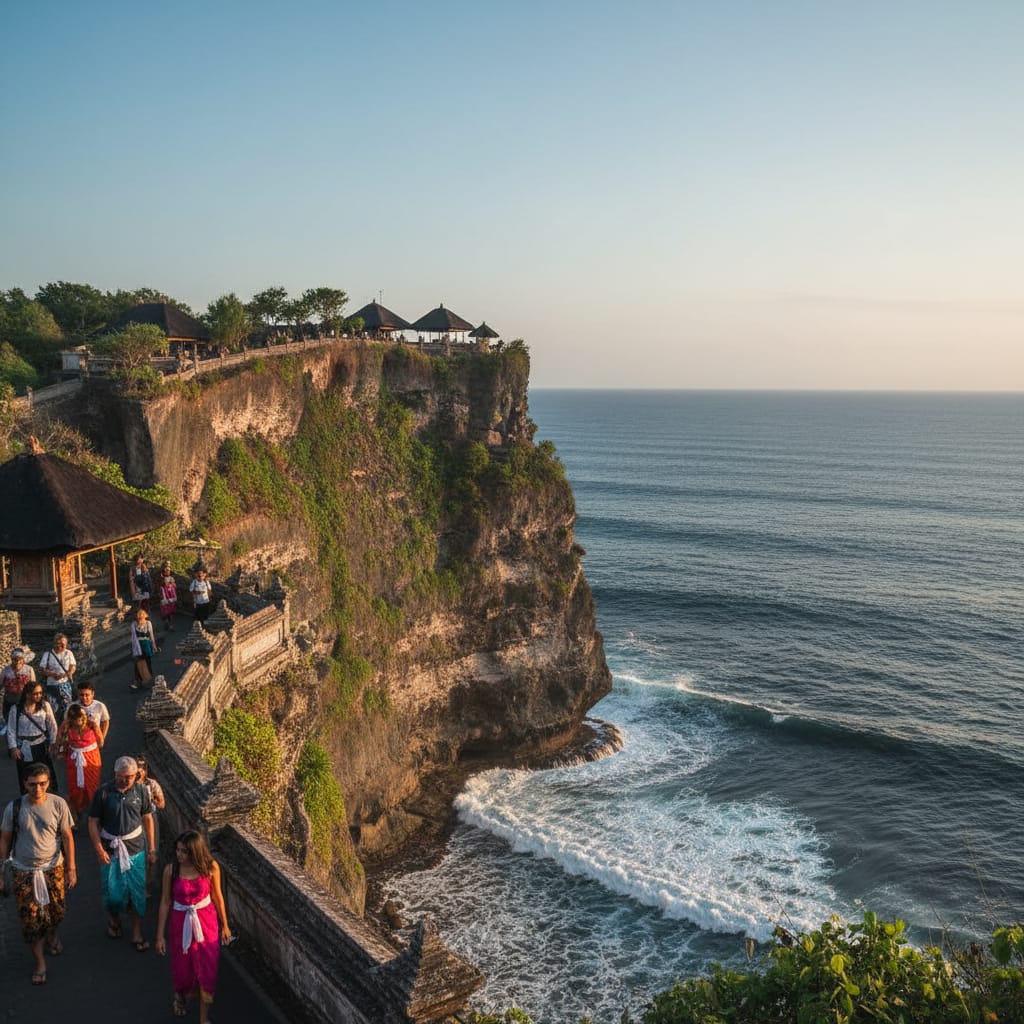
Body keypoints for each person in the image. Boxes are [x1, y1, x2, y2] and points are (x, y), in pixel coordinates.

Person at [0, 762, 77, 984]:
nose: (38, 789)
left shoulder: (58, 804)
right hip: (24, 871)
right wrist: (1, 870)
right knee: (30, 920)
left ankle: (52, 932)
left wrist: (71, 868)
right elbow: (4, 839)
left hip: (53, 868)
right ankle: (40, 962)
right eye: (33, 784)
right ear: (25, 784)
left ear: (48, 783)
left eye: (42, 784)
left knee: (57, 911)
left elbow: (67, 837)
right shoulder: (14, 808)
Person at [155, 830, 232, 1022]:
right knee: (183, 968)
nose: (179, 855)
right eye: (178, 850)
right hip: (180, 924)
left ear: (195, 852)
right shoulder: (171, 871)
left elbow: (217, 897)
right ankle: (180, 994)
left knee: (207, 969)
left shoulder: (211, 868)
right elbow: (165, 901)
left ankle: (203, 1019)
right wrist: (159, 935)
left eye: (184, 851)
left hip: (207, 923)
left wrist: (225, 925)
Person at [88, 755, 157, 950]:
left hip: (136, 849)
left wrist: (152, 848)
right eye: (122, 777)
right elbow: (93, 822)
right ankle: (115, 920)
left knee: (137, 893)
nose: (126, 780)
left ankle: (136, 932)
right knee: (112, 894)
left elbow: (148, 818)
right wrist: (98, 849)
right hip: (110, 849)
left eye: (130, 777)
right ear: (115, 773)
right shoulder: (103, 793)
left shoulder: (141, 791)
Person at [7, 681, 59, 794]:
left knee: (45, 774)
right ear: (27, 694)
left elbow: (52, 725)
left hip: (41, 745)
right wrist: (13, 748)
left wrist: (53, 744)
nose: (39, 695)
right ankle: (27, 800)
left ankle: (50, 798)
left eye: (40, 693)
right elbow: (11, 729)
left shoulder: (45, 706)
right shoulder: (16, 709)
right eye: (35, 693)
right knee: (26, 776)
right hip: (23, 747)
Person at [57, 703, 103, 820]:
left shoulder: (92, 725)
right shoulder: (66, 727)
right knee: (75, 788)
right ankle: (76, 812)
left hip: (91, 760)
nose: (82, 721)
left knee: (92, 786)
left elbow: (100, 742)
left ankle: (95, 813)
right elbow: (60, 742)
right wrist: (62, 750)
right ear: (71, 719)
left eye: (83, 718)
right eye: (78, 719)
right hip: (74, 761)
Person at [136, 755, 165, 882]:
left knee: (152, 849)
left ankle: (148, 881)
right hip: (134, 819)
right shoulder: (128, 784)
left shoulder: (151, 784)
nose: (139, 771)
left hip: (150, 817)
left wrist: (151, 799)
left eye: (141, 768)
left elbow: (162, 804)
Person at [37, 633, 76, 722]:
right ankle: (54, 724)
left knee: (67, 706)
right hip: (51, 685)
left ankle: (66, 724)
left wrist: (66, 674)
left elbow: (73, 666)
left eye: (63, 644)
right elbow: (42, 669)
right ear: (54, 643)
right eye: (59, 643)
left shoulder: (68, 653)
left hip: (65, 685)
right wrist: (53, 675)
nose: (61, 646)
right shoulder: (48, 654)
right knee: (53, 707)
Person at [69, 680, 110, 744]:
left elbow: (105, 722)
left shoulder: (100, 706)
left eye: (87, 695)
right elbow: (66, 723)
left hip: (93, 740)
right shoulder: (72, 706)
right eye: (81, 695)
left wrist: (102, 737)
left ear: (93, 694)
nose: (84, 698)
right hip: (76, 742)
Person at [1, 646, 35, 721]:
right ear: (11, 659)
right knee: (9, 720)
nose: (17, 662)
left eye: (20, 659)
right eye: (15, 659)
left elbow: (33, 687)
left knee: (23, 720)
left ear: (23, 659)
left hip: (24, 701)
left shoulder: (29, 670)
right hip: (9, 701)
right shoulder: (6, 670)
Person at [129, 607, 159, 692]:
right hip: (138, 646)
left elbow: (151, 635)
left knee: (147, 663)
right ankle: (137, 681)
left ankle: (146, 679)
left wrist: (154, 646)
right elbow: (133, 637)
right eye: (140, 615)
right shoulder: (134, 624)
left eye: (142, 615)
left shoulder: (148, 623)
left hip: (146, 645)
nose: (141, 616)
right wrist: (133, 648)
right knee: (138, 664)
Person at [157, 561, 178, 632]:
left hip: (171, 596)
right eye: (166, 570)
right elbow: (161, 586)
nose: (168, 571)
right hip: (164, 596)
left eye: (169, 570)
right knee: (165, 611)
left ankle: (170, 625)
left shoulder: (171, 578)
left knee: (171, 612)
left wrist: (172, 584)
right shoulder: (161, 578)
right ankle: (167, 623)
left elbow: (174, 586)